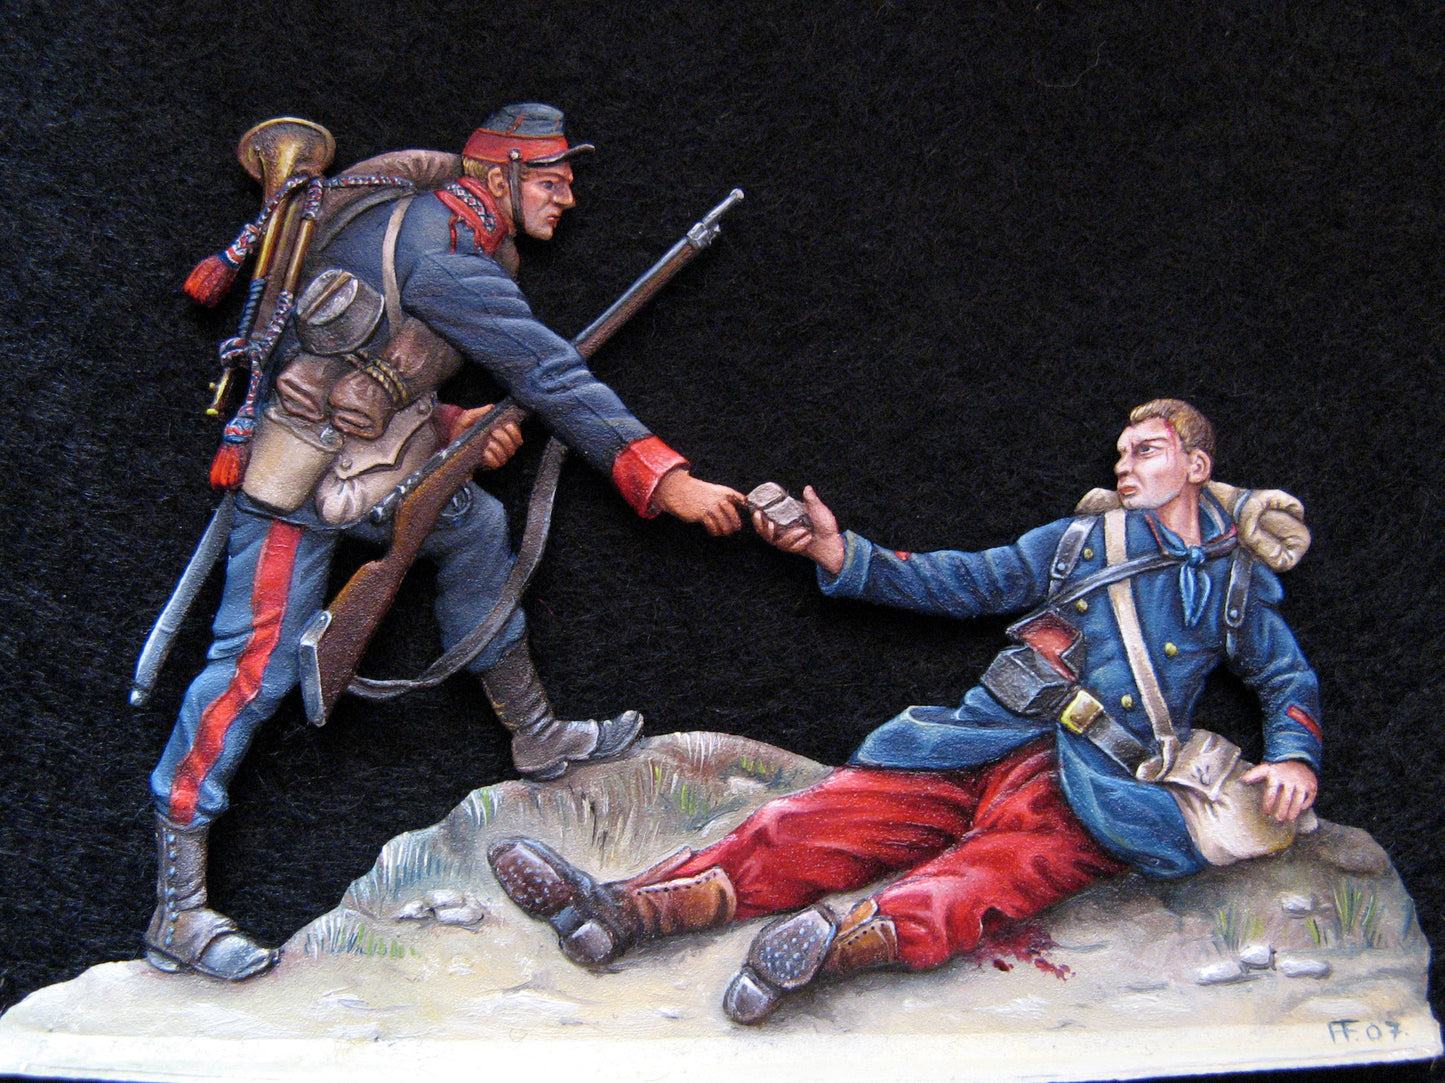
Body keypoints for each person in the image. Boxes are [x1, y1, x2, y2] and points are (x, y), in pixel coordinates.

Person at [145, 104, 745, 982]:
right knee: (253, 668)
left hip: (381, 455)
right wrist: (660, 476)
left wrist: (453, 421)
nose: (568, 198)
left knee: (478, 526)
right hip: (299, 477)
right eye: (551, 180)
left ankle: (535, 735)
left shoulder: (436, 227)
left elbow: (381, 355)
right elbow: (546, 369)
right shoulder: (444, 251)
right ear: (499, 175)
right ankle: (177, 909)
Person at [488, 399, 1322, 1024]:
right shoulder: (1078, 541)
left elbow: (1283, 675)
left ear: (1196, 466)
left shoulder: (1230, 583)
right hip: (981, 733)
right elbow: (962, 580)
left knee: (995, 871)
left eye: (1146, 451)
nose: (1125, 465)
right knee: (818, 819)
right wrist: (837, 550)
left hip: (1091, 778)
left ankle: (828, 946)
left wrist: (1292, 754)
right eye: (1122, 452)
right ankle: (624, 910)